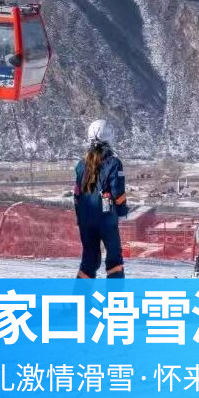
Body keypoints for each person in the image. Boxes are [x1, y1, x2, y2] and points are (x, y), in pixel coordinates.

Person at [74, 119, 128, 279]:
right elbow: (118, 192)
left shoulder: (81, 164)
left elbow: (77, 195)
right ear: (109, 137)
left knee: (89, 260)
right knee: (114, 259)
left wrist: (80, 218)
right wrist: (122, 212)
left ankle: (81, 294)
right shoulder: (114, 163)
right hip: (106, 219)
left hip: (85, 219)